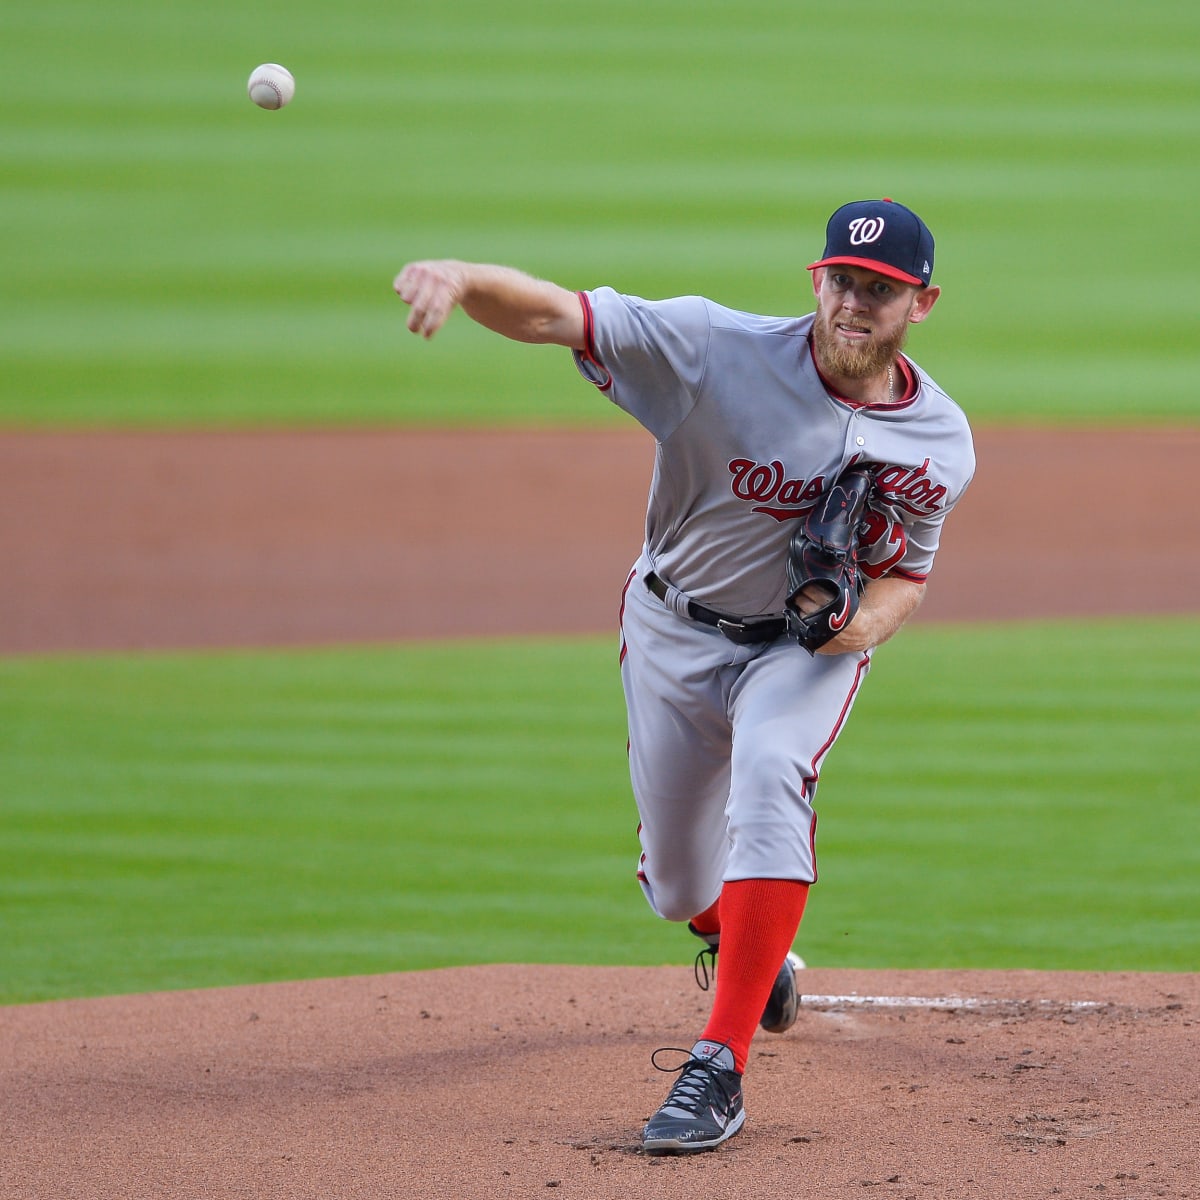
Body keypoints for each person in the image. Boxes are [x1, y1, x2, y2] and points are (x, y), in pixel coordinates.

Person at [393, 198, 975, 1154]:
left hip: (802, 653)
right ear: (815, 282)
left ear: (922, 304)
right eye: (842, 283)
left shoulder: (939, 439)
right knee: (673, 883)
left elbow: (907, 576)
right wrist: (462, 279)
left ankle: (720, 1065)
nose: (855, 306)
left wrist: (847, 629)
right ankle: (744, 942)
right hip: (674, 626)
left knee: (771, 776)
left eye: (882, 292)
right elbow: (560, 315)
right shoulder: (714, 349)